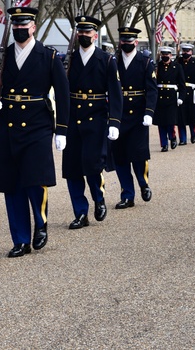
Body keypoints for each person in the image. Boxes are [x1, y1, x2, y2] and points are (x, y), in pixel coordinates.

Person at [0, 6, 69, 258]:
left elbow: (63, 95)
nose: (20, 30)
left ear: (33, 27)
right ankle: (20, 239)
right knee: (12, 186)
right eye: (16, 26)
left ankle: (41, 224)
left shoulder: (49, 56)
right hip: (8, 126)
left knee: (35, 180)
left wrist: (61, 130)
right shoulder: (3, 56)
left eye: (25, 26)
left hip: (37, 126)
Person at [62, 15, 122, 229]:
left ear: (95, 35)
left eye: (88, 33)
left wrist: (114, 122)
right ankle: (80, 212)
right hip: (72, 119)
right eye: (81, 32)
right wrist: (59, 125)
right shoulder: (68, 60)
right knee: (72, 169)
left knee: (92, 165)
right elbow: (61, 92)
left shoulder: (105, 59)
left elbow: (115, 94)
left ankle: (99, 198)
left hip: (96, 119)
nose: (84, 36)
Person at [112, 27, 158, 208]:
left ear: (136, 42)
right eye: (124, 40)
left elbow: (152, 90)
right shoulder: (113, 61)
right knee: (120, 157)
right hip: (119, 114)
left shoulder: (145, 62)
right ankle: (127, 194)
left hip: (138, 114)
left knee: (138, 155)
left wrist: (149, 112)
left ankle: (143, 183)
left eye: (130, 41)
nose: (127, 44)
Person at [154, 46, 184, 152]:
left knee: (171, 122)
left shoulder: (177, 66)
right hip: (160, 97)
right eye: (163, 54)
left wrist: (181, 97)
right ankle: (164, 144)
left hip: (171, 97)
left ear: (171, 55)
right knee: (161, 123)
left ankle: (172, 137)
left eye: (167, 55)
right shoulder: (157, 67)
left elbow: (181, 84)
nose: (165, 56)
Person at [176, 43, 195, 145]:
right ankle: (182, 138)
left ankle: (193, 133)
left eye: (187, 51)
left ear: (191, 52)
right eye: (184, 51)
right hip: (181, 92)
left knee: (192, 116)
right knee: (181, 117)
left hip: (192, 93)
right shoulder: (178, 62)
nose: (185, 53)